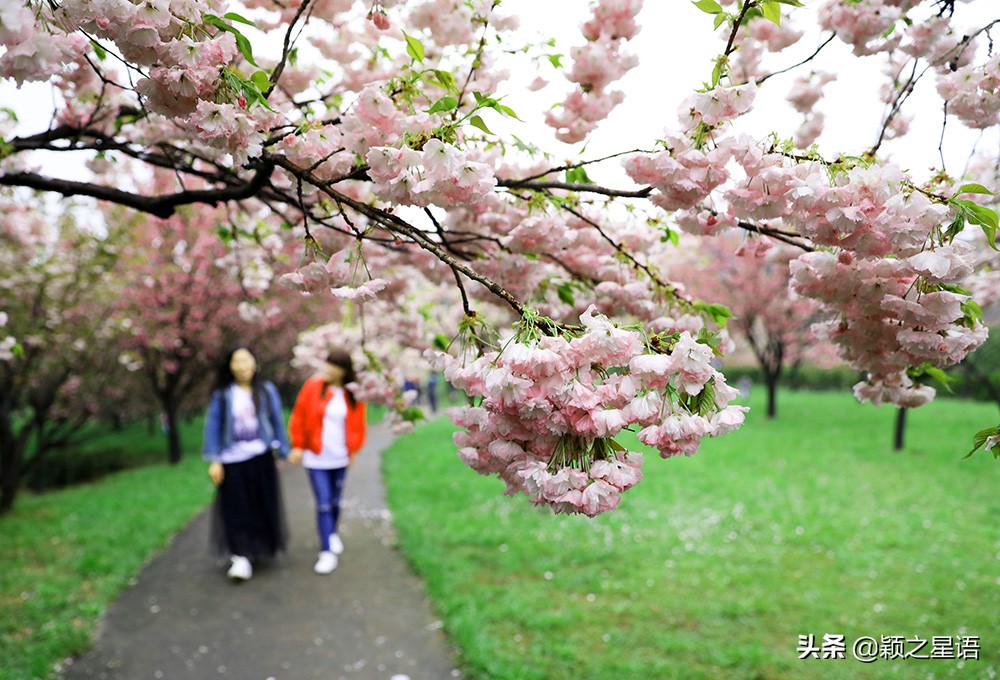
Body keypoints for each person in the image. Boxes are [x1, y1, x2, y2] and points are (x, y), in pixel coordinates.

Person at [203, 345, 290, 581]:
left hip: (261, 458)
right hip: (233, 461)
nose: (242, 366)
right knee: (235, 508)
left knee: (261, 505)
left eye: (246, 360)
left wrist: (283, 450)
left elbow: (276, 421)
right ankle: (239, 556)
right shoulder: (222, 395)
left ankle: (257, 549)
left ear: (254, 363)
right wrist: (215, 460)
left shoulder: (266, 390)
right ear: (230, 366)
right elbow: (213, 427)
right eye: (237, 361)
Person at [288, 349, 367, 574]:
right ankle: (326, 552)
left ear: (345, 370)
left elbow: (359, 425)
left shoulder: (353, 393)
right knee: (323, 503)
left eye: (335, 365)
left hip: (340, 457)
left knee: (335, 501)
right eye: (328, 364)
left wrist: (354, 451)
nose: (329, 369)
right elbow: (299, 416)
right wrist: (298, 445)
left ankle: (331, 533)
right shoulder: (313, 386)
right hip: (316, 458)